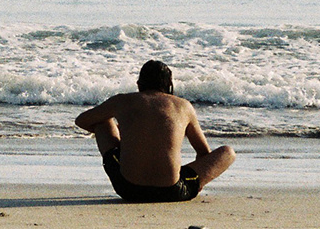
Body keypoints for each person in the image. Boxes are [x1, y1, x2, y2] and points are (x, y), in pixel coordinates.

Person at [74, 60, 235, 203]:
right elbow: (203, 152)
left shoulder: (122, 101)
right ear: (169, 86)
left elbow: (82, 120)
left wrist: (126, 141)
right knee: (228, 152)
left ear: (139, 84)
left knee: (102, 121)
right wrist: (196, 182)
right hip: (172, 191)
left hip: (128, 189)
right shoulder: (183, 106)